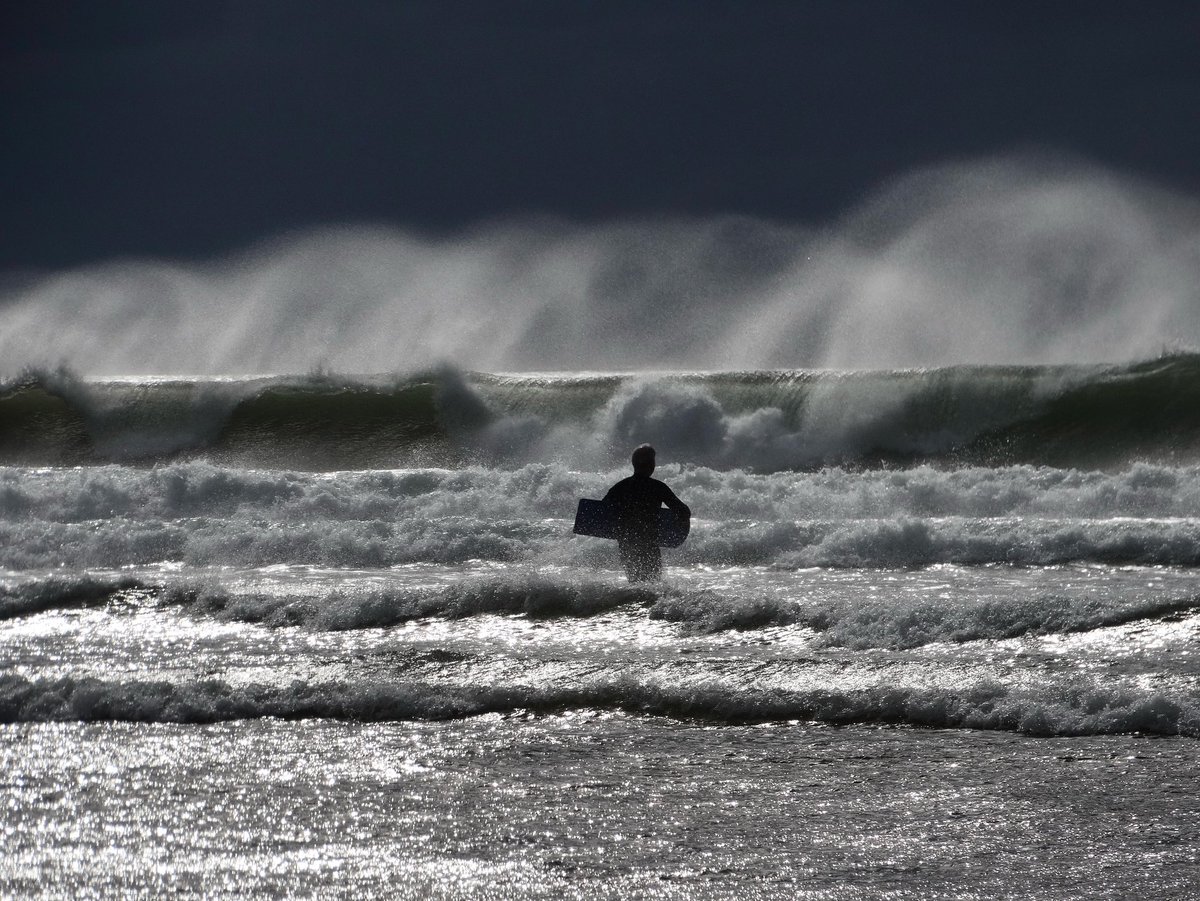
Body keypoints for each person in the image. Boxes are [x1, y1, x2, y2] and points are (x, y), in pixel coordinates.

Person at [603, 444, 690, 582]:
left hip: (626, 543)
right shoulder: (657, 487)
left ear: (634, 464)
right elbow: (684, 511)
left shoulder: (620, 487)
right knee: (652, 584)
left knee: (634, 583)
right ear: (650, 465)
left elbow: (602, 512)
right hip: (649, 543)